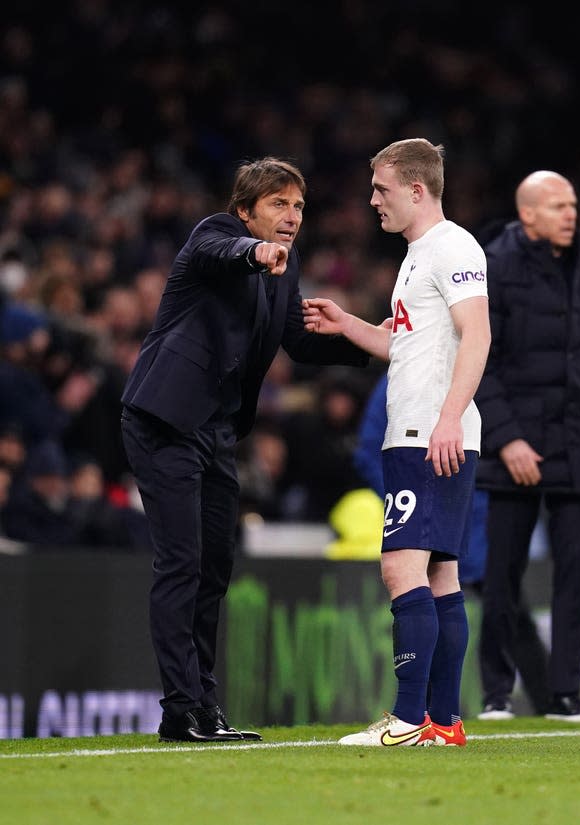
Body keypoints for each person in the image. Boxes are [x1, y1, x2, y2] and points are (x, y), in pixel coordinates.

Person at [120, 157, 369, 744]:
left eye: (299, 206)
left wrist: (370, 341)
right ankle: (181, 709)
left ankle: (203, 707)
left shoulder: (287, 266)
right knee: (181, 563)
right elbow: (221, 254)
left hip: (216, 431)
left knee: (214, 569)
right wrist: (256, 254)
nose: (291, 217)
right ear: (245, 210)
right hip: (163, 419)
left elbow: (299, 343)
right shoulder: (215, 234)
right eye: (279, 204)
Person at [303, 138, 491, 746]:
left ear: (416, 189)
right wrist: (349, 325)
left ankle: (408, 720)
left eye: (382, 189)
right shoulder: (417, 257)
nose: (372, 200)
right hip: (420, 432)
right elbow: (408, 347)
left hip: (428, 435)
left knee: (400, 568)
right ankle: (442, 722)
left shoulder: (453, 246)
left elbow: (478, 335)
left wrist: (447, 417)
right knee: (441, 576)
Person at [474, 170, 580, 722]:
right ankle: (497, 693)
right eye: (556, 205)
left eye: (572, 203)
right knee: (502, 577)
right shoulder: (494, 268)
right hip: (515, 448)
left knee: (577, 573)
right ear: (527, 215)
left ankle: (567, 694)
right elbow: (479, 364)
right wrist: (508, 439)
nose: (570, 213)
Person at [355, 371, 551, 715]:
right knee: (459, 603)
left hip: (477, 517)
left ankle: (440, 712)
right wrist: (406, 502)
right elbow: (369, 451)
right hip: (452, 512)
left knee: (500, 611)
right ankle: (438, 713)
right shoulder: (410, 370)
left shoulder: (452, 368)